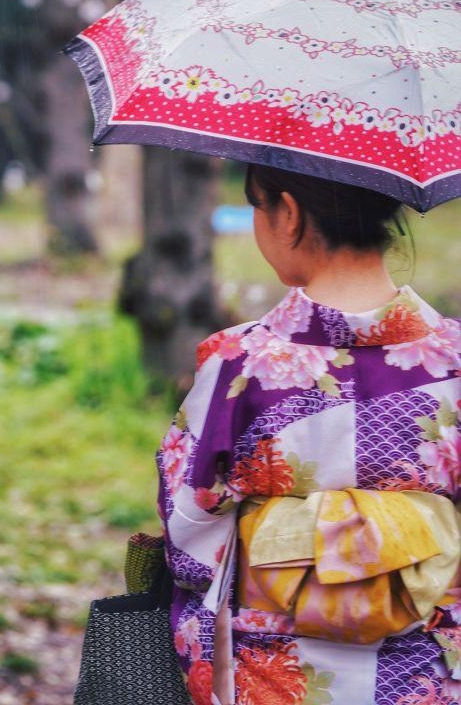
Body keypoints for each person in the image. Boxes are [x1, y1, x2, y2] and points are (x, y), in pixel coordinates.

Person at [156, 163, 460, 705]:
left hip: (273, 677)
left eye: (257, 203)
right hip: (427, 674)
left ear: (288, 212)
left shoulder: (238, 364)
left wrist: (293, 554)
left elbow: (188, 537)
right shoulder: (454, 362)